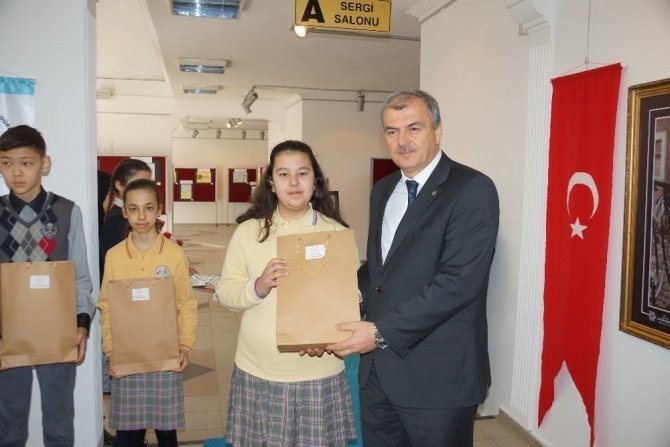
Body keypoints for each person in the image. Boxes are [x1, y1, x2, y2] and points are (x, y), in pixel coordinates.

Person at [328, 89, 500, 447]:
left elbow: (458, 283)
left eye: (414, 128)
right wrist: (335, 305)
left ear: (437, 130)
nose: (402, 141)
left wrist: (378, 333)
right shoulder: (383, 190)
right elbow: (379, 271)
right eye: (392, 131)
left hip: (438, 378)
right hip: (378, 375)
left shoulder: (472, 189)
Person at [215, 140, 358, 446]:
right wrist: (259, 286)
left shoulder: (337, 233)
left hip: (319, 373)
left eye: (302, 173)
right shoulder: (249, 232)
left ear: (316, 180)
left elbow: (351, 299)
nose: (294, 182)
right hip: (258, 372)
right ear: (271, 181)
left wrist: (328, 339)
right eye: (283, 174)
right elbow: (226, 292)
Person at [0, 124, 96, 446]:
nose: (16, 172)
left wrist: (81, 323)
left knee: (59, 427)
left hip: (59, 333)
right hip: (7, 336)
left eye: (26, 162)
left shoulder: (66, 212)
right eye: (6, 163)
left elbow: (80, 276)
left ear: (45, 164)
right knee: (9, 430)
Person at [97, 179, 197, 447]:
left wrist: (185, 345)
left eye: (148, 208)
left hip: (165, 356)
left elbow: (186, 304)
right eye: (134, 209)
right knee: (129, 436)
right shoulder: (115, 255)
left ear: (159, 209)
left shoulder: (174, 254)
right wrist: (111, 351)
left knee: (167, 435)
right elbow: (107, 306)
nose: (141, 216)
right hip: (126, 357)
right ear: (124, 212)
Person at [99, 158, 152, 280]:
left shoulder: (127, 215)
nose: (145, 190)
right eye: (138, 184)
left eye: (148, 184)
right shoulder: (116, 220)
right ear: (119, 185)